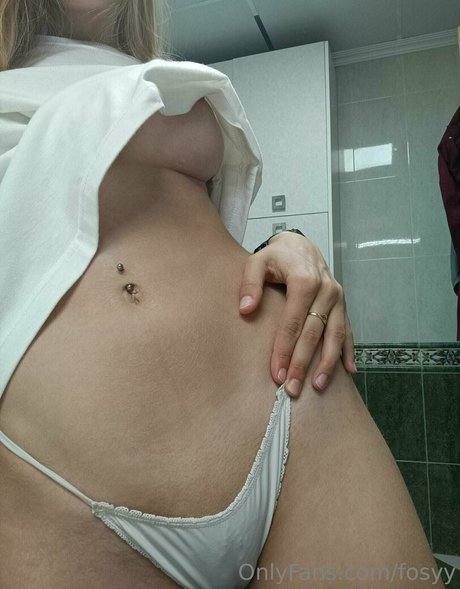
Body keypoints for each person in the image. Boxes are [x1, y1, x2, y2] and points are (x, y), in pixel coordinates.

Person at [0, 1, 444, 588]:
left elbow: (188, 228)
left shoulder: (149, 73)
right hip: (58, 468)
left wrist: (283, 243)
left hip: (296, 405)